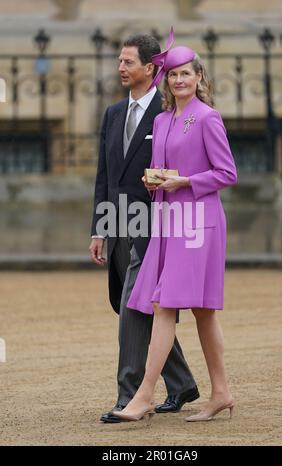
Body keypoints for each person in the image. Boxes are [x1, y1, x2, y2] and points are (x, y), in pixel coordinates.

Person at [112, 28, 238, 423]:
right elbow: (163, 170)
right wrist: (156, 181)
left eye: (187, 73)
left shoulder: (208, 118)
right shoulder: (164, 120)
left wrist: (185, 181)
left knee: (163, 304)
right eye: (174, 74)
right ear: (165, 79)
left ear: (199, 77)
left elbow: (227, 173)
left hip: (199, 222)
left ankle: (144, 395)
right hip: (168, 220)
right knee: (202, 312)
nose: (180, 80)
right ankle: (220, 393)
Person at [89, 33, 199, 423]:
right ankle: (182, 383)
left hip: (157, 225)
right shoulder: (113, 113)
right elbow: (105, 176)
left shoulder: (169, 112)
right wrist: (100, 229)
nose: (120, 67)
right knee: (135, 305)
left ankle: (130, 395)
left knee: (133, 311)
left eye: (127, 61)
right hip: (118, 224)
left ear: (150, 68)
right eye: (119, 61)